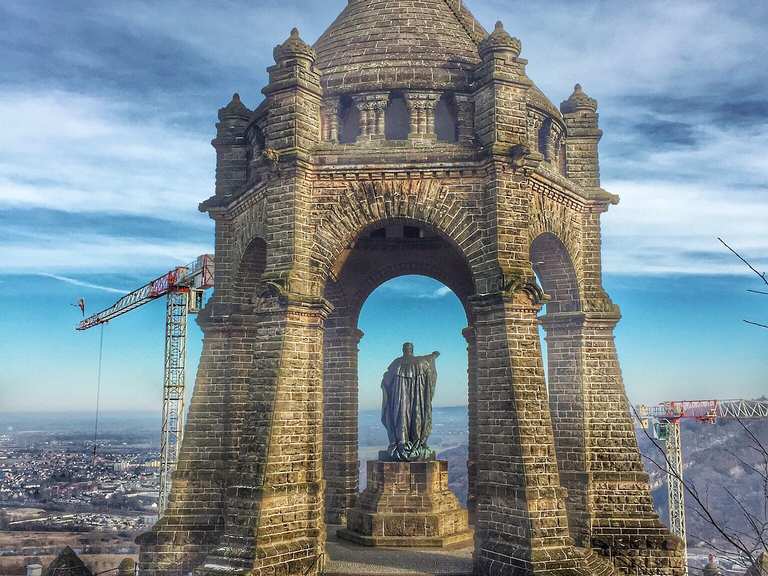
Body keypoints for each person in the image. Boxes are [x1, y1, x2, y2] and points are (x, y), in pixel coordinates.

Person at [380, 342, 440, 461]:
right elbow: (429, 361)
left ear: (403, 350)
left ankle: (402, 442)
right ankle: (416, 441)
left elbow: (387, 381)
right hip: (417, 398)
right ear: (412, 350)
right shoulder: (421, 362)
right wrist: (433, 356)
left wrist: (385, 382)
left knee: (401, 417)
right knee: (416, 416)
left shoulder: (396, 363)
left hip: (400, 399)